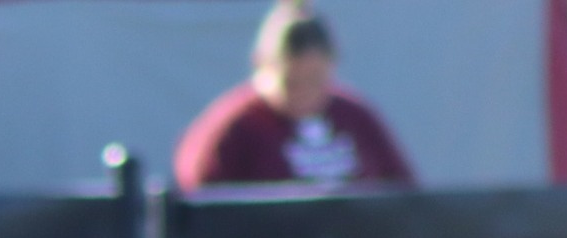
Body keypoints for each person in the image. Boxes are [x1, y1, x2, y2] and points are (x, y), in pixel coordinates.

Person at [173, 0, 415, 193]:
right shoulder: (234, 127)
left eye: (316, 81)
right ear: (260, 66)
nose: (305, 95)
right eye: (291, 83)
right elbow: (201, 202)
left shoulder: (355, 118)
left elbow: (403, 192)